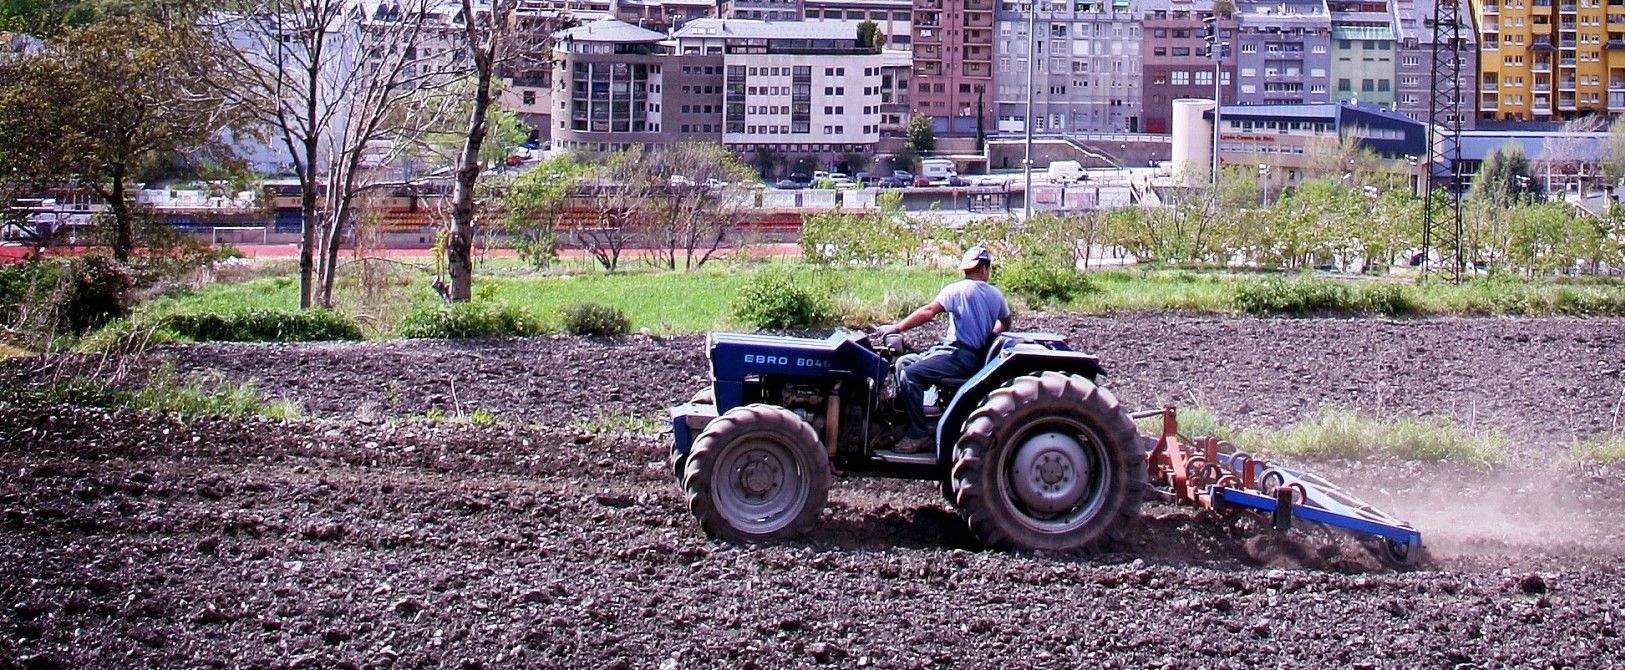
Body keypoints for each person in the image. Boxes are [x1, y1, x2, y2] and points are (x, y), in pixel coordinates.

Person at [875, 245, 1012, 453]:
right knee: (903, 362)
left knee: (911, 374)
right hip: (964, 354)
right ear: (984, 269)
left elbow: (929, 311)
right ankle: (903, 425)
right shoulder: (996, 295)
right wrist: (989, 334)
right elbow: (1006, 322)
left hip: (958, 355)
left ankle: (919, 434)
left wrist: (897, 328)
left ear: (967, 269)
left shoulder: (956, 289)